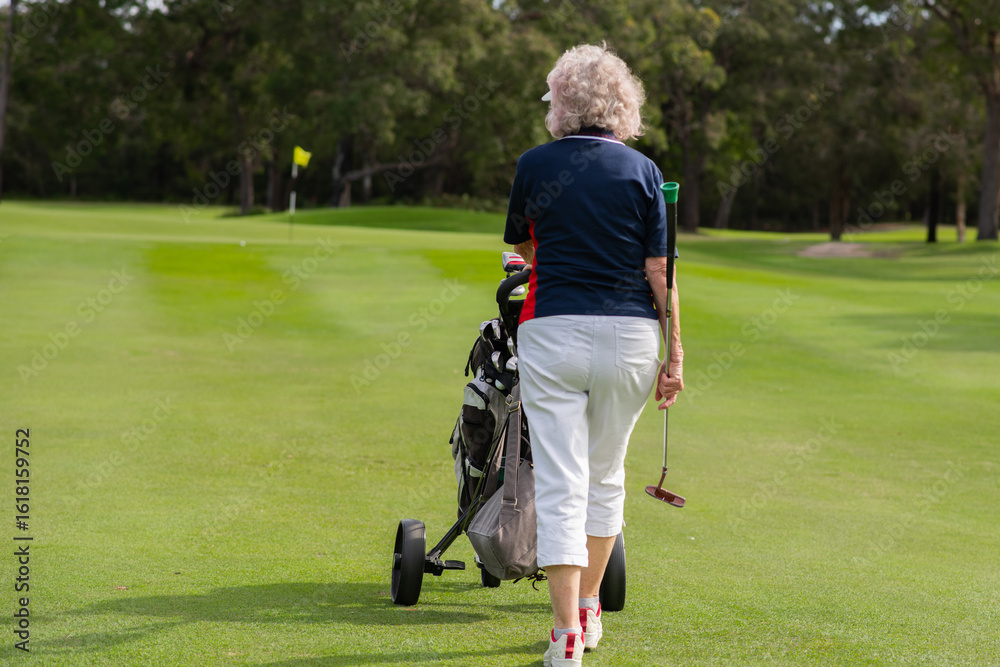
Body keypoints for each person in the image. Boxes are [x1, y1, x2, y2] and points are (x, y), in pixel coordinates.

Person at [503, 43, 684, 666]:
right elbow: (659, 271)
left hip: (553, 331)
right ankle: (587, 609)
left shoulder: (533, 164)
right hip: (630, 339)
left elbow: (527, 249)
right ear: (622, 104)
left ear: (562, 102)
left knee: (561, 483)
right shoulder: (645, 171)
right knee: (605, 477)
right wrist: (676, 356)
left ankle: (565, 637)